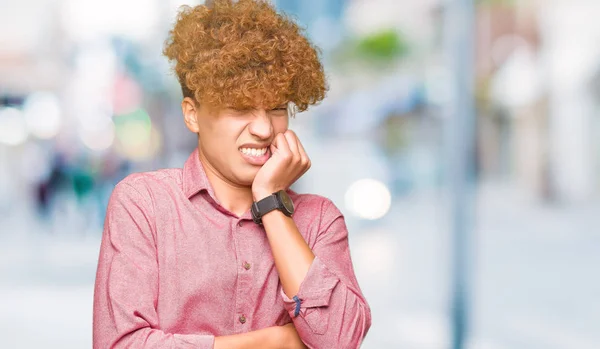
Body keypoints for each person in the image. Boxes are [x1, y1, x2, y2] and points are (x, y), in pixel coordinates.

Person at [93, 1, 371, 348]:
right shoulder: (145, 205)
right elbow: (120, 344)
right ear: (192, 115)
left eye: (276, 108)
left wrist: (271, 202)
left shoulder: (319, 221)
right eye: (240, 108)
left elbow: (340, 341)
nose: (264, 128)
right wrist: (278, 342)